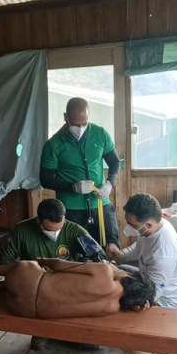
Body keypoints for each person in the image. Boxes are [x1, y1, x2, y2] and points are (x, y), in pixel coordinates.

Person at [40, 97, 120, 253]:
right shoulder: (53, 145)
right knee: (81, 253)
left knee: (111, 250)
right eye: (76, 124)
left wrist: (110, 183)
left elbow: (115, 162)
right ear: (65, 117)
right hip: (72, 210)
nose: (80, 128)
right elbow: (45, 179)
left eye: (84, 124)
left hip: (101, 205)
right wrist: (72, 187)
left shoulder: (100, 134)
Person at [0, 259, 156, 319]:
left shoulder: (104, 271)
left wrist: (41, 261)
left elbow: (58, 264)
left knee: (30, 267)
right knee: (37, 285)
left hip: (22, 280)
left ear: (130, 278)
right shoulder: (112, 308)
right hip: (24, 309)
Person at [107, 193, 177, 310]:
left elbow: (150, 296)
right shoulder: (155, 227)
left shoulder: (164, 254)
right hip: (149, 280)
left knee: (115, 301)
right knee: (121, 268)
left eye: (132, 225)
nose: (129, 227)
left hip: (167, 304)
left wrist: (118, 276)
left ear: (148, 225)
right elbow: (138, 248)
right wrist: (119, 255)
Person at [0, 198, 106, 265]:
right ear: (38, 221)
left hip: (67, 278)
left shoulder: (75, 231)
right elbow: (5, 259)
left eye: (60, 227)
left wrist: (102, 263)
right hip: (35, 279)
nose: (56, 233)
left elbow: (100, 256)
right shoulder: (21, 230)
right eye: (50, 230)